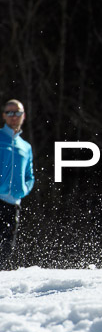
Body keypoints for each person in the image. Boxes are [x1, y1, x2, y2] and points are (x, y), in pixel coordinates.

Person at [0, 99, 35, 269]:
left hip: (14, 203)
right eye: (10, 112)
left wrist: (23, 190)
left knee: (7, 248)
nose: (14, 116)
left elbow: (30, 175)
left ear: (23, 116)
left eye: (17, 113)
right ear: (4, 116)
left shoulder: (25, 147)